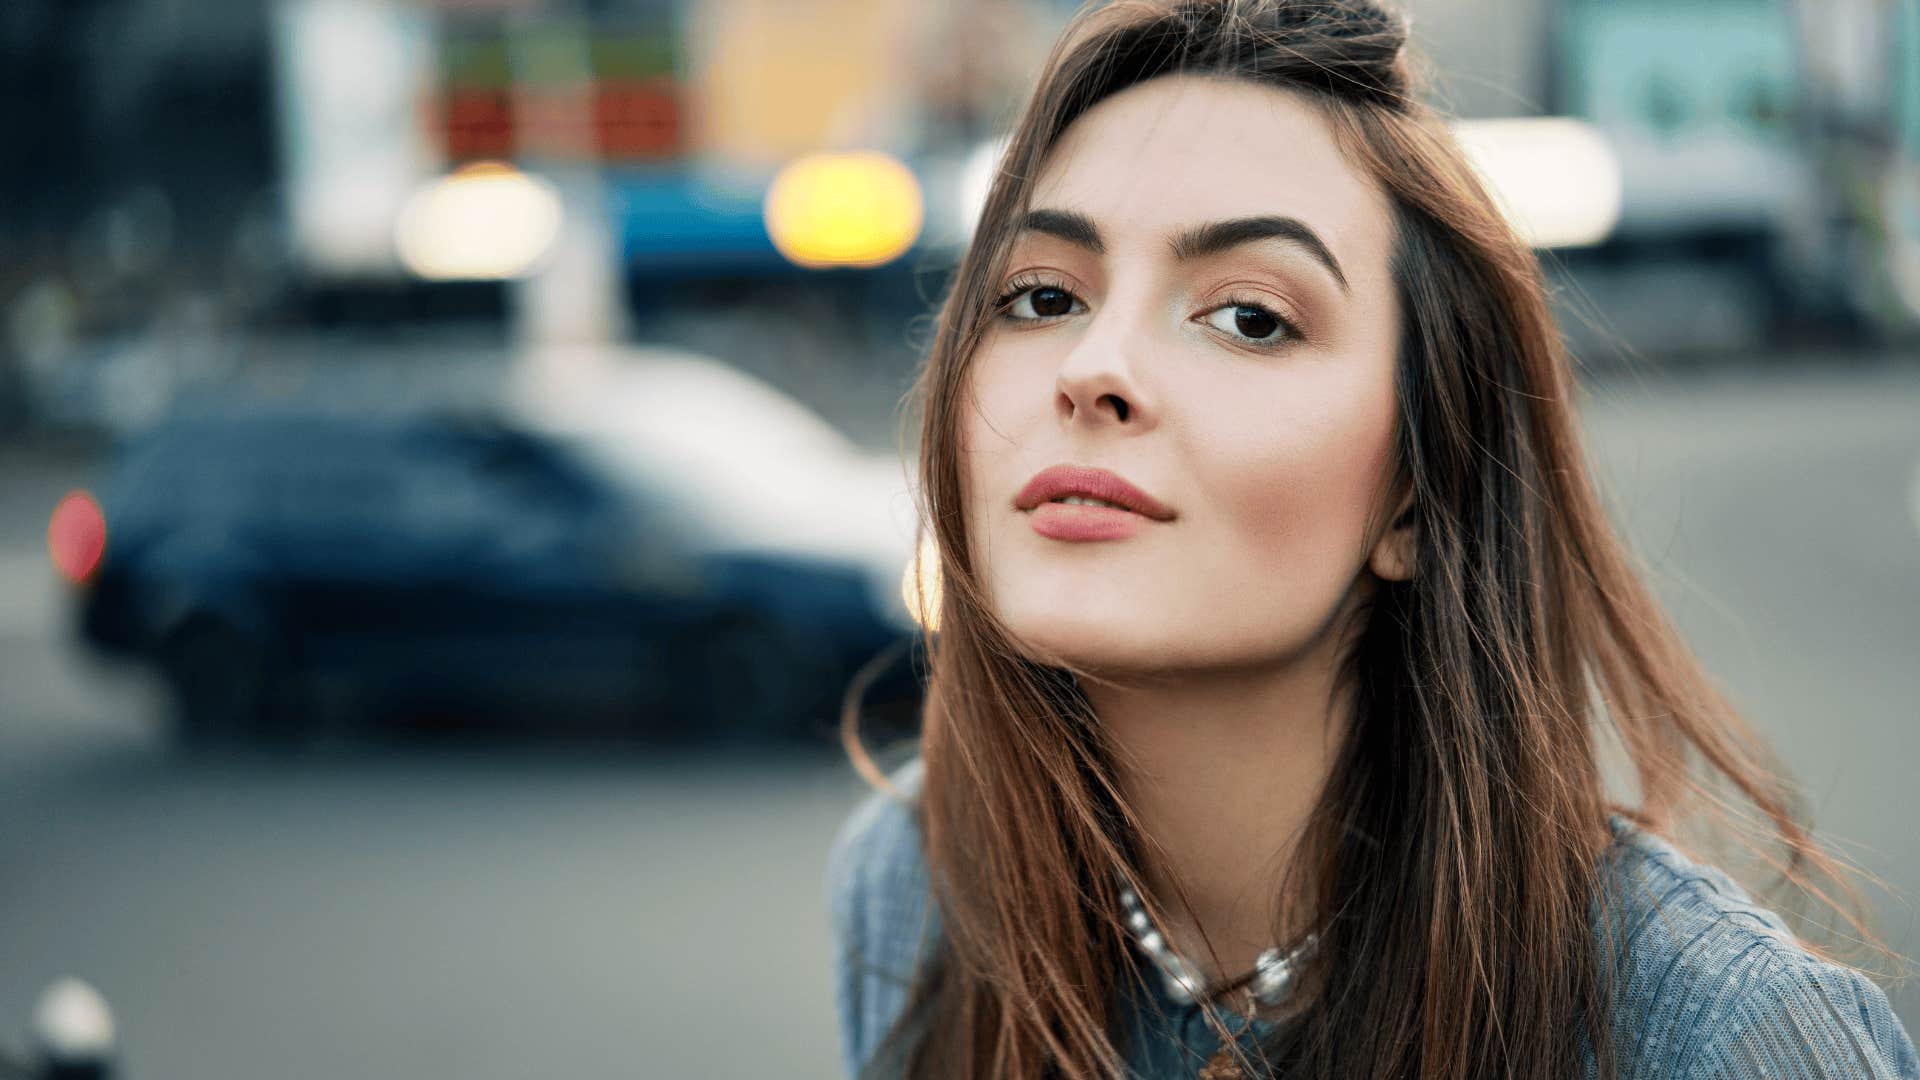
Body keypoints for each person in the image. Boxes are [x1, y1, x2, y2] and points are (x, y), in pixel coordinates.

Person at [826, 1, 1919, 1077]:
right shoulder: (916, 892)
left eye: (1250, 316)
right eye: (1041, 294)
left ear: (1411, 498)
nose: (1093, 367)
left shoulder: (1723, 1039)